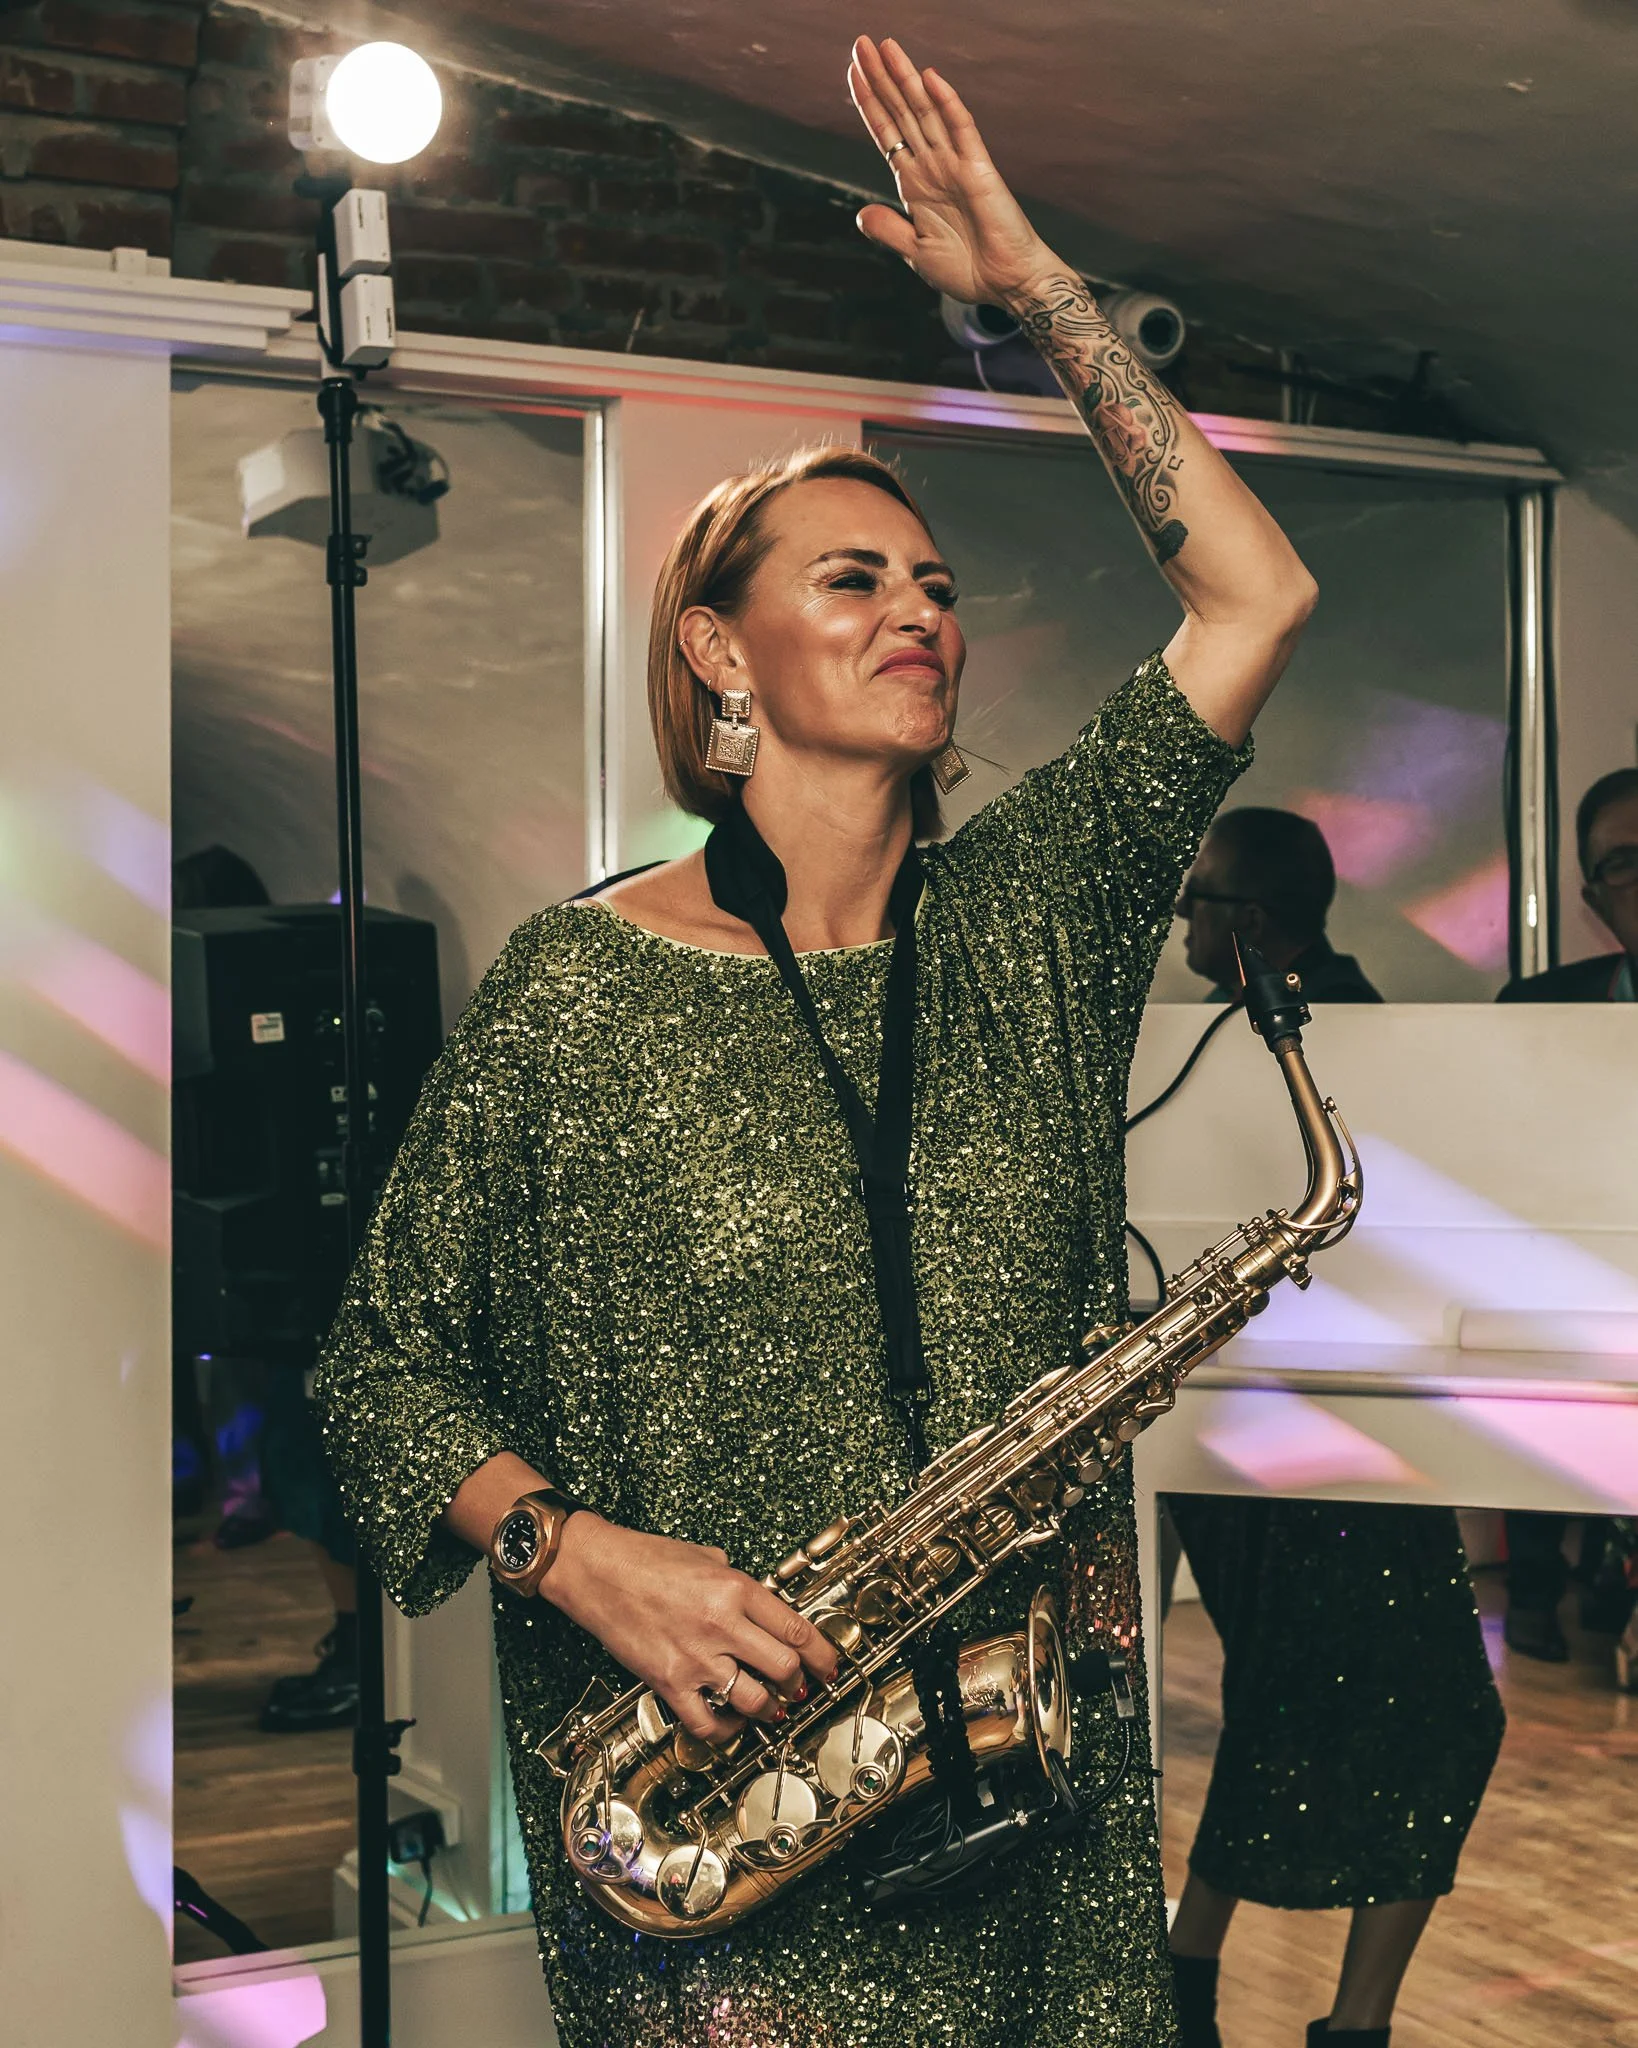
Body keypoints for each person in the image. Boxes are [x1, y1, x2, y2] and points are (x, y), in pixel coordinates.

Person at [315, 35, 1316, 2048]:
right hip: (725, 1814)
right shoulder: (573, 990)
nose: (917, 610)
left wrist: (1035, 294)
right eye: (848, 576)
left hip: (1031, 1783)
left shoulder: (1034, 916)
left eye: (935, 584)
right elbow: (371, 1378)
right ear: (717, 649)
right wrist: (580, 1556)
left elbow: (1252, 589)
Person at [1163, 810, 1504, 2048]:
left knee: (1324, 1704)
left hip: (1314, 1428)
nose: (1182, 921)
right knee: (1364, 1706)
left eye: (1196, 899)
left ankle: (1202, 1983)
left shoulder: (1320, 1032)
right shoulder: (1258, 1031)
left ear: (1250, 920)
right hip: (1290, 1426)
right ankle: (1318, 2015)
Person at [1495, 766, 1638, 1671]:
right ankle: (1542, 1586)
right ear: (1590, 896)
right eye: (1623, 864)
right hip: (1575, 1272)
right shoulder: (1535, 1012)